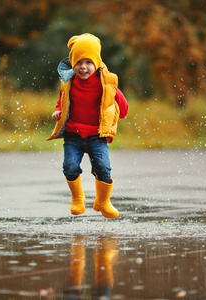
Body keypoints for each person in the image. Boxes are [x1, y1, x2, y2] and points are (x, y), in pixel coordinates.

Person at [47, 33, 128, 218]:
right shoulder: (68, 83)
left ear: (97, 63)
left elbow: (123, 111)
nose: (83, 67)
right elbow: (62, 101)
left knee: (103, 167)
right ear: (72, 63)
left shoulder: (105, 84)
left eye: (89, 62)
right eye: (79, 62)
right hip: (73, 135)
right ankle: (77, 198)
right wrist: (57, 112)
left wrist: (114, 91)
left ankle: (103, 201)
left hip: (97, 136)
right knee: (70, 166)